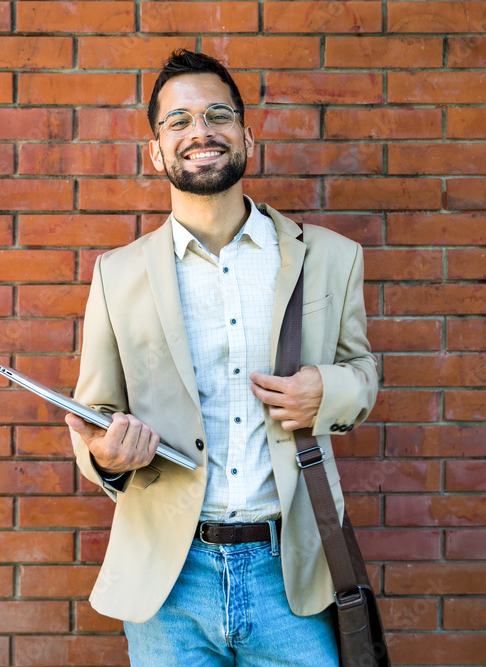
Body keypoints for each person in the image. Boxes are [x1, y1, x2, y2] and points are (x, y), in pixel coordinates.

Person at [65, 49, 378, 665]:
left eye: (217, 115)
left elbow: (363, 373)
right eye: (177, 121)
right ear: (156, 150)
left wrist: (327, 390)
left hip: (291, 571)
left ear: (246, 137)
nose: (199, 132)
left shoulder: (332, 258)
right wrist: (104, 455)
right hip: (170, 579)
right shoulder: (116, 274)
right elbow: (95, 408)